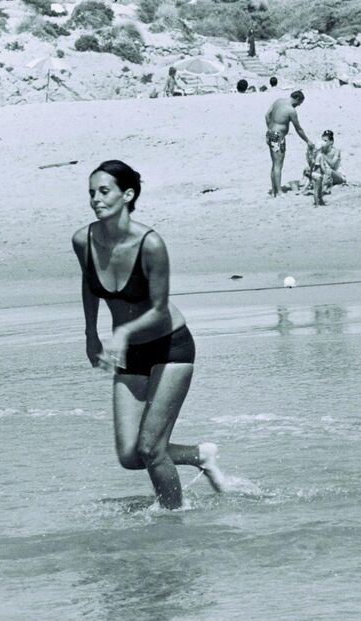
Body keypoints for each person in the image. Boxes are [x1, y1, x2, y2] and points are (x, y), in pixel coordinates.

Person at [71, 160, 226, 510]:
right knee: (130, 455)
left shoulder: (150, 243)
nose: (96, 199)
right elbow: (89, 284)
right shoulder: (84, 240)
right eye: (92, 193)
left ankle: (173, 520)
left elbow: (158, 308)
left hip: (171, 347)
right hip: (131, 352)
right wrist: (90, 334)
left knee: (150, 449)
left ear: (127, 195)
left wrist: (123, 331)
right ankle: (200, 455)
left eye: (104, 191)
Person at [265, 90, 314, 198]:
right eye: (299, 103)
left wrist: (271, 128)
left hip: (270, 134)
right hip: (278, 137)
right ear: (297, 99)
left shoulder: (278, 101)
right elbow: (298, 129)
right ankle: (279, 192)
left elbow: (267, 115)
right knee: (278, 164)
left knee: (274, 164)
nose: (298, 105)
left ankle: (274, 190)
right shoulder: (291, 110)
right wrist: (307, 141)